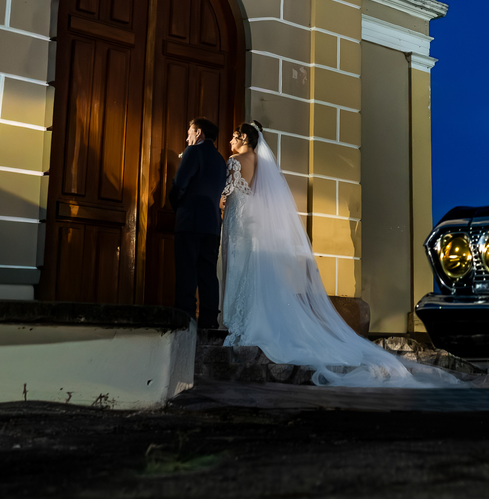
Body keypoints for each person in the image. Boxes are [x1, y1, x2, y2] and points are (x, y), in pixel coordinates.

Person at [219, 121, 457, 387]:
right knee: (252, 267)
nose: (230, 141)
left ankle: (238, 319)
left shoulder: (236, 160)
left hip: (240, 219)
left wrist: (221, 201)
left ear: (243, 139)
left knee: (239, 265)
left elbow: (229, 191)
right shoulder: (264, 164)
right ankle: (249, 316)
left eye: (233, 137)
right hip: (255, 221)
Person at [171, 117, 228, 328]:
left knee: (186, 273)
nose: (187, 137)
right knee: (208, 276)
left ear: (199, 133)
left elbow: (180, 184)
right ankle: (209, 322)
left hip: (189, 221)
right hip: (212, 225)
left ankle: (185, 322)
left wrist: (175, 204)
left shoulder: (193, 152)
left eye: (189, 132)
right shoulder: (221, 159)